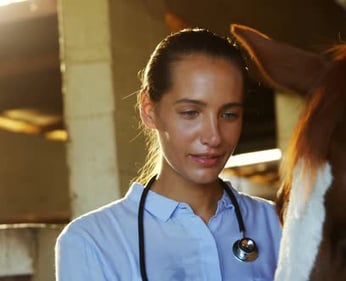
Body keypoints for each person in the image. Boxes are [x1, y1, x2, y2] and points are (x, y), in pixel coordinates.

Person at [55, 28, 282, 281]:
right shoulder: (92, 242)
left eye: (229, 115)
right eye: (190, 113)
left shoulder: (277, 226)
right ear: (149, 110)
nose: (214, 136)